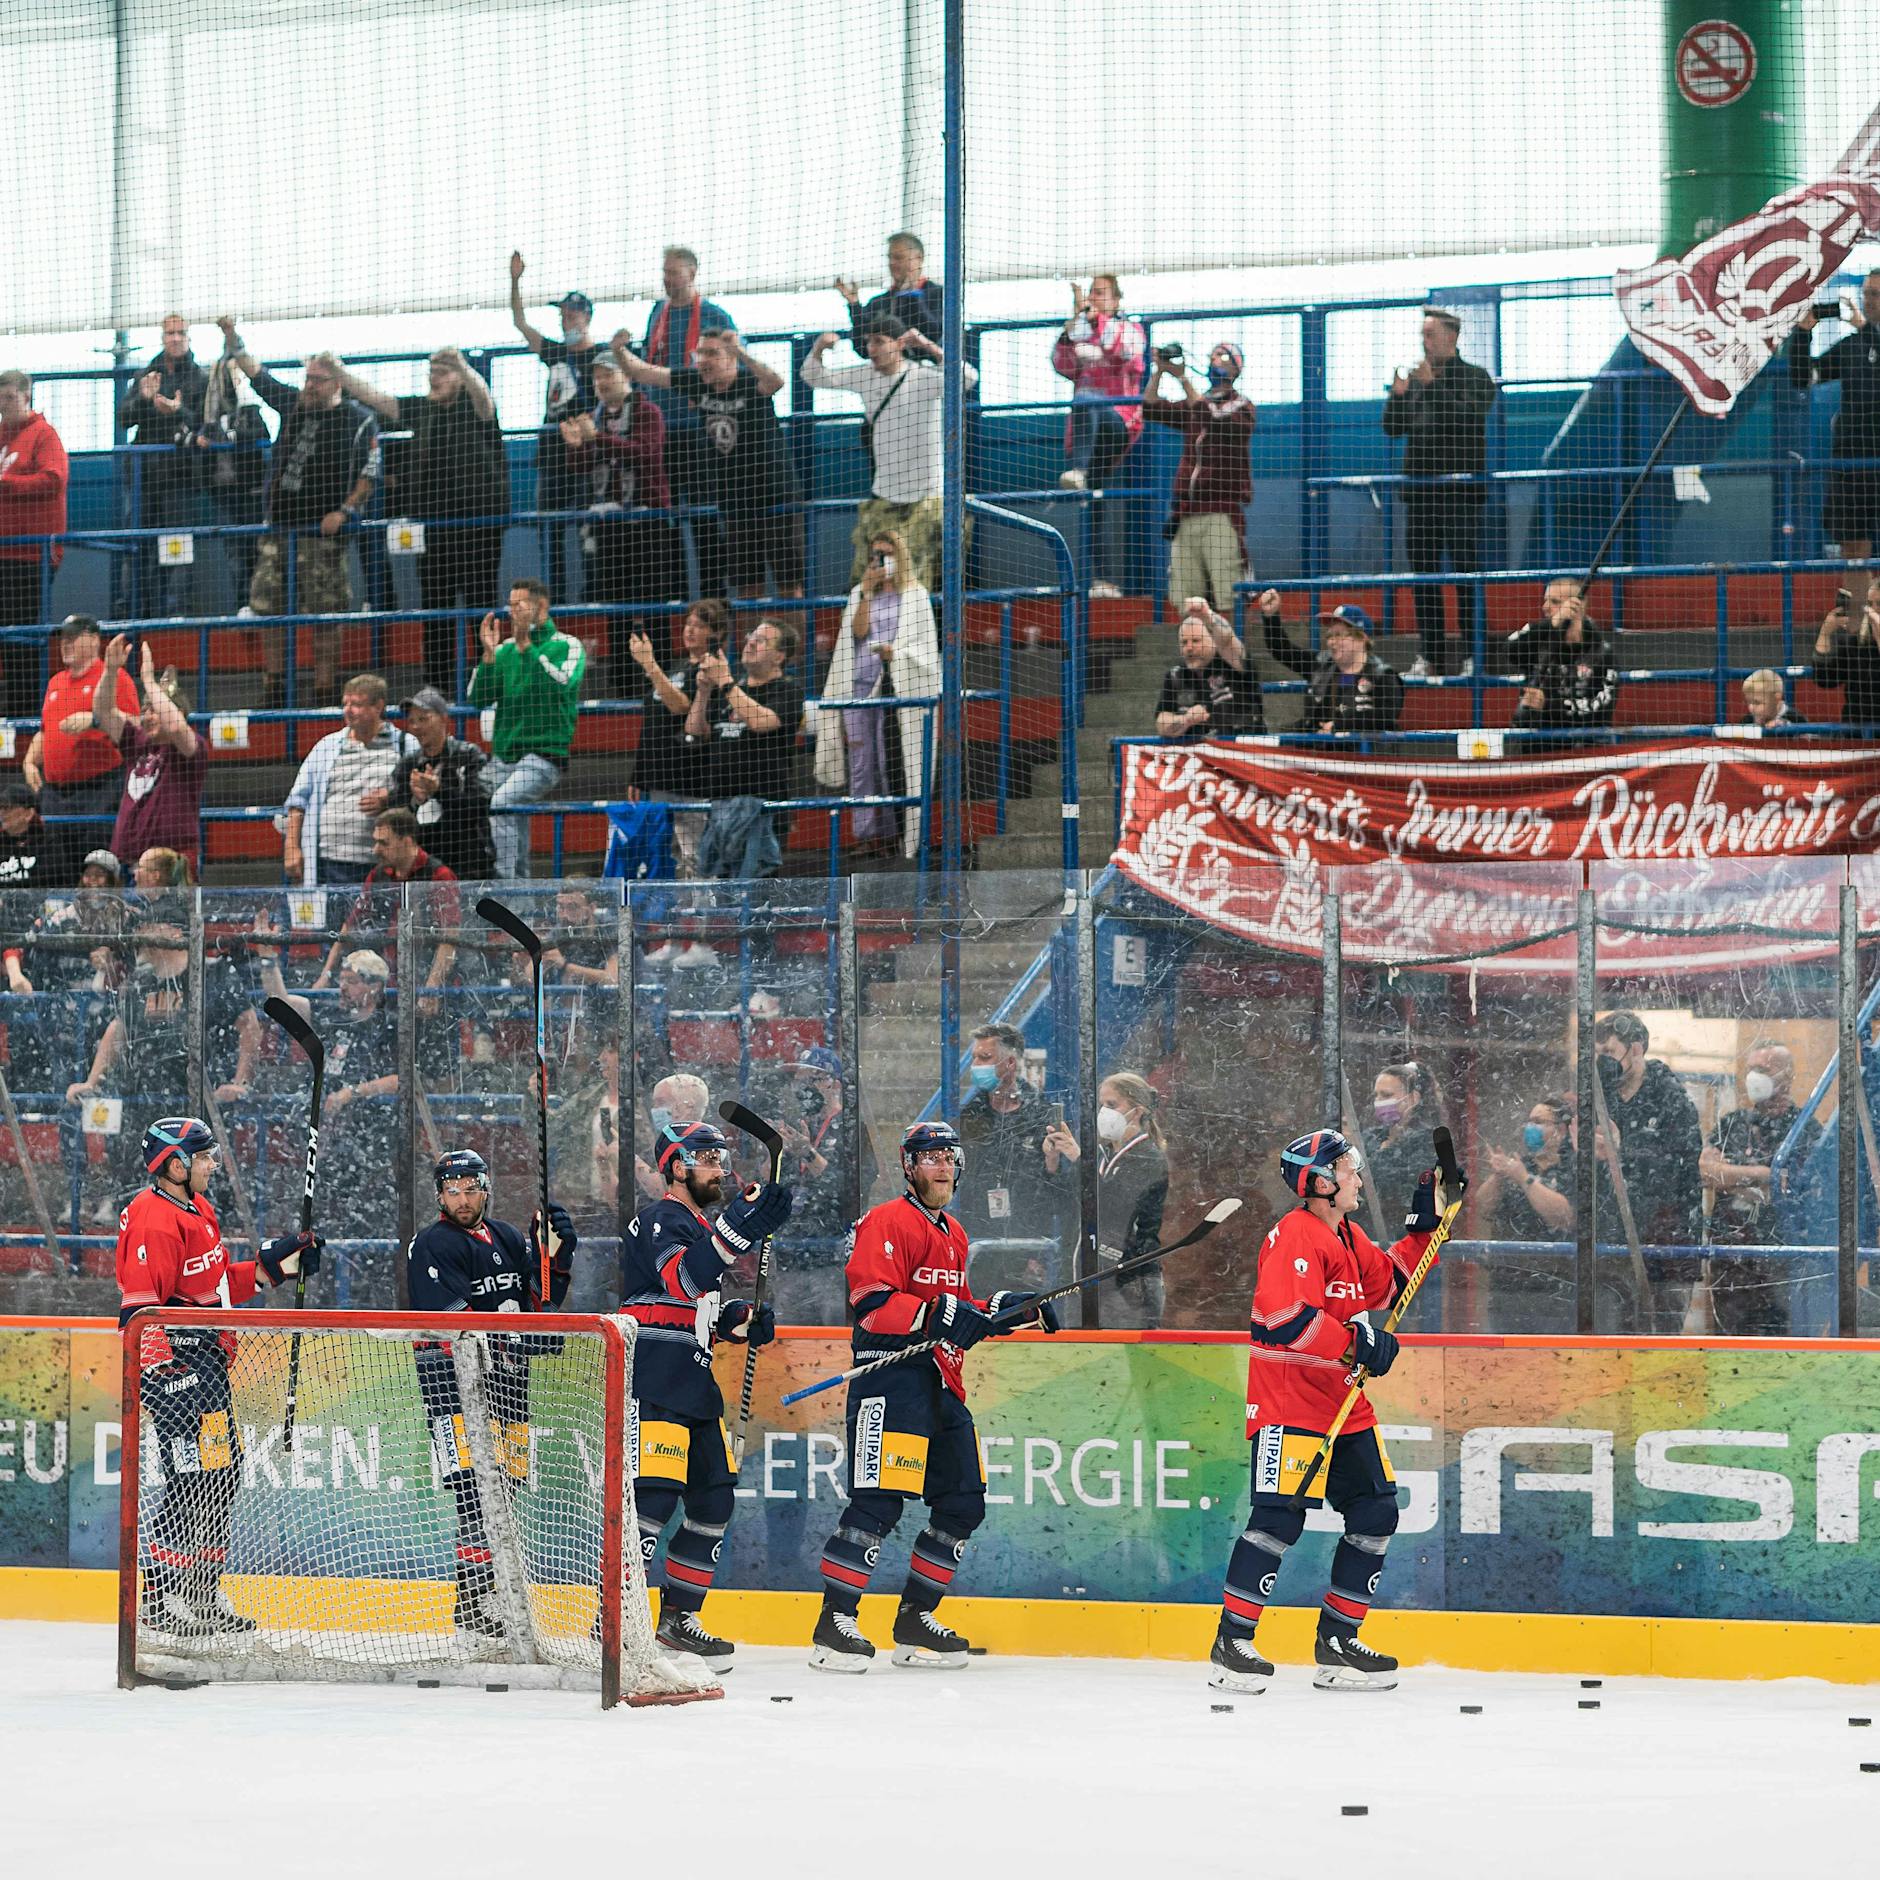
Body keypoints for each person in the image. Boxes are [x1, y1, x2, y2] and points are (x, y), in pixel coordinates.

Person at [1209, 1129, 1459, 1695]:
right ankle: (1231, 1643)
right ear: (1320, 1182)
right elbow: (1284, 1319)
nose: (1357, 1177)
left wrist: (1426, 1225)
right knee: (1278, 1520)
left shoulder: (1346, 1233)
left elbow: (1391, 1282)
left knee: (1375, 1512)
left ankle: (1338, 1643)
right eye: (1348, 1170)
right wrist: (1357, 1343)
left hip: (1343, 1405)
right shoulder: (1295, 1235)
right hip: (1289, 1402)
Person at [806, 1120, 1057, 1672]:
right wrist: (938, 1313)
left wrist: (1012, 1311)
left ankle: (914, 1617)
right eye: (930, 1157)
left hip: (942, 1383)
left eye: (949, 1155)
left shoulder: (955, 1233)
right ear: (909, 1165)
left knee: (964, 1502)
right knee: (878, 1503)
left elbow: (961, 1312)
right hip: (889, 1380)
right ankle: (834, 1623)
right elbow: (871, 1302)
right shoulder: (887, 1220)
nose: (942, 1165)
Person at [117, 1116, 320, 1637]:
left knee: (220, 1479)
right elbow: (140, 1312)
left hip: (207, 1366)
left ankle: (201, 1594)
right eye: (203, 1157)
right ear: (176, 1165)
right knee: (189, 1485)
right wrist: (165, 1378)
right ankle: (157, 1602)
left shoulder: (198, 1208)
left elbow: (215, 1290)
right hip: (176, 1371)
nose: (212, 1164)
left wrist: (274, 1268)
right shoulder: (150, 1220)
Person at [618, 1119, 791, 1671]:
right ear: (674, 1166)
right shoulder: (659, 1218)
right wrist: (738, 1226)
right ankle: (615, 1623)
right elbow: (683, 1282)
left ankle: (676, 1620)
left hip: (694, 1385)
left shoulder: (696, 1224)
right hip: (655, 1380)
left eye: (722, 1156)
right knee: (654, 1501)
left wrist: (742, 1320)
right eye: (707, 1157)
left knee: (714, 1497)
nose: (721, 1166)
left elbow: (698, 1311)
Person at [405, 1148, 575, 1643]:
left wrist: (556, 1257)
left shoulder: (505, 1236)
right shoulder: (432, 1243)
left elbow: (539, 1300)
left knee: (507, 1490)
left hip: (508, 1381)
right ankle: (473, 1603)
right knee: (475, 1496)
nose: (461, 1199)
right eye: (451, 1190)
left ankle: (489, 1594)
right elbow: (456, 1318)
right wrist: (519, 1334)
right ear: (439, 1194)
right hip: (451, 1388)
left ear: (486, 1189)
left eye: (470, 1188)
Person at [218, 318, 382, 708]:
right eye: (307, 378)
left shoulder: (359, 420)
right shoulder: (292, 403)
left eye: (318, 380)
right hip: (278, 530)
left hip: (322, 535)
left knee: (326, 614)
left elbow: (369, 474)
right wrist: (231, 337)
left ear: (336, 382)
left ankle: (325, 687)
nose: (309, 386)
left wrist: (344, 511)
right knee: (268, 609)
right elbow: (257, 374)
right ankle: (275, 684)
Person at [332, 350, 509, 693]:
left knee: (481, 607)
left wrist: (461, 365)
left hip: (480, 530)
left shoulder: (475, 406)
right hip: (433, 529)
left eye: (443, 372)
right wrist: (340, 370)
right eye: (432, 371)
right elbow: (375, 398)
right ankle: (437, 686)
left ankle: (490, 682)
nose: (434, 377)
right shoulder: (420, 409)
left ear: (459, 376)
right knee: (435, 609)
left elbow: (483, 397)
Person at [613, 328, 803, 601]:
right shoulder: (696, 382)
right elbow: (643, 372)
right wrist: (620, 350)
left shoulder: (751, 382)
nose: (703, 360)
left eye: (712, 353)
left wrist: (740, 351)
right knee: (747, 590)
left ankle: (791, 645)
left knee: (790, 587)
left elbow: (776, 381)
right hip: (735, 501)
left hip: (776, 495)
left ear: (731, 358)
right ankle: (751, 643)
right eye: (699, 353)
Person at [802, 319, 977, 590]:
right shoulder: (864, 375)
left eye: (880, 341)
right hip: (885, 492)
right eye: (869, 341)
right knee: (872, 577)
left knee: (917, 580)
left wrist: (929, 347)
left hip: (926, 493)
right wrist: (819, 348)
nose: (872, 348)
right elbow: (813, 377)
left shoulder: (923, 377)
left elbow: (968, 377)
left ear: (900, 344)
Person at [1382, 307, 1498, 679]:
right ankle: (1429, 655)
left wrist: (1432, 386)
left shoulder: (1476, 378)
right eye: (1422, 334)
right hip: (1421, 497)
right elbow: (1392, 429)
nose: (1424, 341)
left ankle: (1473, 655)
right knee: (1425, 581)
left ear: (1452, 336)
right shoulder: (1416, 380)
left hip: (1460, 497)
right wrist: (1399, 396)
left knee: (1467, 579)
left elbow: (1467, 418)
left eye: (1431, 334)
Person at [813, 529, 940, 862]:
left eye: (886, 553)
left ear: (900, 556)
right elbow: (854, 634)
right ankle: (866, 834)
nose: (880, 560)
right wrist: (866, 594)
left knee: (889, 761)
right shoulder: (859, 593)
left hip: (895, 685)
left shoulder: (915, 595)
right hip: (859, 685)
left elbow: (925, 647)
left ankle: (895, 831)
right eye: (875, 555)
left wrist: (896, 654)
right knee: (860, 762)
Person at [559, 351, 677, 684]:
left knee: (653, 603)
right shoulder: (592, 417)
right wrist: (576, 447)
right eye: (596, 376)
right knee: (616, 604)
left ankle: (660, 677)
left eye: (608, 374)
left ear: (625, 375)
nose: (601, 382)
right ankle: (624, 680)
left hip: (647, 521)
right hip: (609, 526)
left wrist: (597, 438)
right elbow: (583, 469)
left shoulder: (648, 412)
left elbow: (645, 455)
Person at [1699, 1043, 1822, 1336]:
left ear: (1787, 1074)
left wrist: (1734, 1176)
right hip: (1732, 1257)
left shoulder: (1805, 1128)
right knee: (1728, 1338)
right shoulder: (1732, 1123)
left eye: (1763, 1070)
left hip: (1781, 1256)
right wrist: (1762, 1174)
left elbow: (1795, 1184)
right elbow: (1708, 1172)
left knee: (1780, 1339)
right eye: (1750, 1069)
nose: (1754, 1077)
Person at [468, 578, 586, 880]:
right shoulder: (504, 650)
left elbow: (560, 685)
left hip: (545, 755)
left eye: (518, 604)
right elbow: (478, 699)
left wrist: (527, 648)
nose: (511, 611)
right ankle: (519, 898)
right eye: (510, 605)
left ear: (541, 606)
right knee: (467, 800)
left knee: (503, 804)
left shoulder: (567, 645)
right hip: (503, 757)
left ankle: (503, 889)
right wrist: (489, 655)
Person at [953, 1021, 1078, 1294]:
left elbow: (1055, 1191)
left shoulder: (1040, 1113)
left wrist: (1053, 1162)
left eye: (984, 1058)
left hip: (1029, 1241)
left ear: (1010, 1063)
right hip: (979, 1240)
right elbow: (962, 1181)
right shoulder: (971, 1115)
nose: (976, 1065)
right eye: (974, 1057)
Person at [640, 247, 736, 599]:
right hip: (662, 432)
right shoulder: (657, 313)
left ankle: (714, 599)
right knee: (665, 521)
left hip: (700, 431)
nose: (667, 278)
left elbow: (733, 366)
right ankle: (675, 601)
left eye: (674, 272)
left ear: (692, 273)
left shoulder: (714, 314)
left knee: (705, 518)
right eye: (664, 271)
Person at [509, 254, 603, 601]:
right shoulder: (554, 352)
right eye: (562, 315)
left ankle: (594, 594)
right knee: (550, 530)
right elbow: (521, 323)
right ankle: (556, 597)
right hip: (551, 457)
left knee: (587, 528)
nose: (566, 320)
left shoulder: (602, 355)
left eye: (572, 314)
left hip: (586, 457)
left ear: (587, 317)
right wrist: (516, 281)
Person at [1138, 342, 1254, 616]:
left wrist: (1181, 377)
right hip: (1186, 512)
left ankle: (1232, 647)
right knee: (1186, 596)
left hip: (1220, 511)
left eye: (1223, 355)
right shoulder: (1197, 403)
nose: (1214, 358)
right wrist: (1160, 371)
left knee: (1227, 592)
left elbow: (1211, 415)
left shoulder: (1243, 406)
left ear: (1236, 368)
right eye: (1212, 353)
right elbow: (1151, 408)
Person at [24, 614, 140, 878]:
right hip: (55, 795)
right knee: (54, 869)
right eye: (63, 638)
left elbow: (134, 726)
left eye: (73, 638)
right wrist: (30, 760)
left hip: (98, 791)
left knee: (96, 869)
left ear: (94, 640)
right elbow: (46, 729)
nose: (65, 643)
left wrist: (95, 720)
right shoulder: (55, 682)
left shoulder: (115, 678)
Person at [1052, 276, 1147, 598]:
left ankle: (1078, 469)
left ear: (1117, 300)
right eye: (1091, 293)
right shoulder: (1080, 331)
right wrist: (1068, 332)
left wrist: (1095, 319)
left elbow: (1127, 352)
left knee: (1089, 398)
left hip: (1120, 423)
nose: (1094, 297)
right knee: (1093, 502)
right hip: (1087, 433)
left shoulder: (1131, 329)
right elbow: (1062, 366)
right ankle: (1101, 579)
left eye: (1101, 293)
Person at [772, 1045, 876, 1325]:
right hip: (791, 1257)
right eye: (799, 1080)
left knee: (834, 1335)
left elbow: (850, 1190)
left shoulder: (852, 1129)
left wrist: (808, 1152)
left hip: (832, 1259)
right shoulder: (799, 1129)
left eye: (812, 1080)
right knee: (786, 1342)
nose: (803, 1088)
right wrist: (774, 1153)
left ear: (835, 1085)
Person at [281, 673, 414, 887]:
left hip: (383, 863)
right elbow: (297, 801)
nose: (348, 711)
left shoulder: (406, 745)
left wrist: (390, 799)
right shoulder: (326, 746)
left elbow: (418, 796)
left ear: (378, 706)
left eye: (357, 704)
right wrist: (292, 848)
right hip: (330, 862)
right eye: (345, 704)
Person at [627, 599, 727, 875]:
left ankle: (702, 915)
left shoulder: (713, 669)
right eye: (688, 623)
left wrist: (649, 663)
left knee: (694, 858)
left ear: (715, 633)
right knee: (664, 858)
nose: (690, 630)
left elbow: (681, 707)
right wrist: (638, 775)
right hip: (659, 778)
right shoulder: (676, 667)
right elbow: (652, 724)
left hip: (691, 780)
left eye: (700, 625)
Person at [118, 315, 209, 618]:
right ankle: (135, 613)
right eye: (170, 333)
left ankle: (177, 613)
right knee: (138, 546)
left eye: (181, 332)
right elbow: (123, 419)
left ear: (189, 337)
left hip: (179, 477)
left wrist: (177, 410)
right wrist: (145, 401)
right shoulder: (146, 374)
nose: (175, 338)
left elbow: (205, 424)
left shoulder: (200, 378)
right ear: (162, 337)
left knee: (177, 545)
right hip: (143, 478)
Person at [93, 633, 205, 873]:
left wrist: (149, 681)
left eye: (154, 710)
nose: (147, 716)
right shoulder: (137, 741)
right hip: (131, 861)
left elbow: (175, 726)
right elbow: (103, 711)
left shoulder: (191, 748)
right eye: (144, 710)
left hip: (171, 864)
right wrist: (111, 670)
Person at [1593, 1010, 1704, 1249]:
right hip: (1608, 1242)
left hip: (1665, 1243)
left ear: (1635, 1049)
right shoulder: (1600, 1099)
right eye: (1598, 1054)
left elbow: (1676, 1169)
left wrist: (1621, 1150)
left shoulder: (1671, 1098)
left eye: (1610, 1052)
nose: (1603, 1062)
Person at [1789, 274, 1880, 564]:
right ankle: (1857, 608)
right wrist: (1803, 333)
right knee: (1852, 539)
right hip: (1852, 458)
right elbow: (1804, 377)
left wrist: (1865, 330)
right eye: (1866, 293)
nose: (1868, 301)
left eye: (1876, 294)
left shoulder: (1864, 334)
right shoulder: (1853, 344)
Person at [370, 688, 494, 882]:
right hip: (422, 870)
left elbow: (479, 804)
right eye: (412, 721)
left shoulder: (469, 755)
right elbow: (397, 818)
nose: (416, 727)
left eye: (423, 719)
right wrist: (414, 800)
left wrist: (438, 791)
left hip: (466, 862)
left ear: (444, 719)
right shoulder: (408, 765)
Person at [0, 371, 68, 716]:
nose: (3, 406)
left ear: (26, 397)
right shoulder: (1, 436)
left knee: (23, 632)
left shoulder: (44, 435)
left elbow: (55, 478)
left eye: (9, 398)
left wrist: (7, 483)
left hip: (31, 553)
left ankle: (25, 712)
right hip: (4, 552)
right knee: (8, 634)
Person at [692, 617, 804, 817]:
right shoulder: (731, 690)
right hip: (717, 805)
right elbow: (694, 732)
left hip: (763, 809)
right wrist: (703, 692)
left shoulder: (788, 689)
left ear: (779, 656)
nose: (750, 642)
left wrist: (725, 680)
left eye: (761, 641)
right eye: (751, 636)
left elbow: (761, 723)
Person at [1259, 593, 1404, 736]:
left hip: (1367, 754)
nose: (1332, 642)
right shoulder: (1320, 665)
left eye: (1340, 635)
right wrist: (1271, 616)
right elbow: (1281, 649)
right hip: (1320, 753)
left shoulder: (1383, 676)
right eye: (1330, 636)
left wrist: (1339, 726)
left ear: (1362, 638)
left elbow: (1386, 717)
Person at [1502, 577, 1617, 734]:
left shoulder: (1602, 651)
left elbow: (1602, 709)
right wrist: (1552, 624)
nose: (1545, 607)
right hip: (1537, 741)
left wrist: (1548, 705)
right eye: (1545, 601)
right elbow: (1508, 649)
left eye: (1555, 602)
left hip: (1585, 743)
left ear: (1578, 607)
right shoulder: (1538, 639)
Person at [1154, 601, 1262, 738]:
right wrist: (1186, 720)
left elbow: (1227, 639)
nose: (1189, 648)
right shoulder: (1175, 676)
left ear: (1213, 640)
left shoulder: (1231, 663)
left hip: (1243, 749)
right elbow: (1161, 723)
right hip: (1197, 754)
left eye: (1196, 641)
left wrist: (1208, 615)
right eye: (1184, 642)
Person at [1361, 1060, 1445, 1231]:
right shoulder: (1370, 1136)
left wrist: (1381, 1153)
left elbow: (1395, 1185)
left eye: (1386, 1095)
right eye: (1376, 1095)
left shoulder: (1429, 1141)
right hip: (1366, 1234)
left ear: (1413, 1098)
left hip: (1404, 1234)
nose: (1378, 1101)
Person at [836, 232, 944, 349]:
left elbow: (936, 335)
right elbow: (861, 348)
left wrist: (912, 294)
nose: (892, 263)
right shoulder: (879, 302)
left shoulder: (940, 294)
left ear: (919, 258)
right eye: (890, 257)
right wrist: (854, 305)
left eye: (898, 257)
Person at [1811, 578, 1880, 726]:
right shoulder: (1855, 643)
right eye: (1869, 604)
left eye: (1879, 604)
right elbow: (1825, 679)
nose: (1872, 610)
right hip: (1856, 731)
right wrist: (1825, 633)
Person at [0, 779, 59, 888]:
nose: (2, 813)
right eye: (1, 808)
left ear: (28, 813)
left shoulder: (48, 842)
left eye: (8, 808)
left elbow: (54, 881)